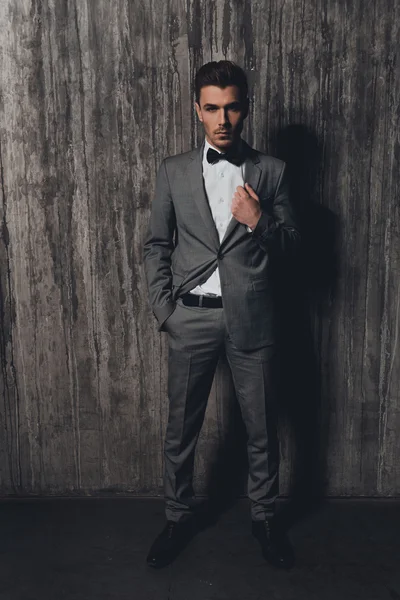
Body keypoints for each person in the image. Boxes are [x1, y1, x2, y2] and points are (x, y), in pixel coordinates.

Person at [142, 60, 300, 570]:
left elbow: (296, 249)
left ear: (245, 108)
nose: (223, 118)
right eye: (212, 108)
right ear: (198, 111)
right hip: (191, 318)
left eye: (232, 106)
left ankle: (266, 519)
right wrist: (165, 309)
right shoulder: (173, 170)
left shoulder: (272, 171)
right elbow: (156, 245)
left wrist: (260, 223)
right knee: (180, 430)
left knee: (261, 427)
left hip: (252, 318)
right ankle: (176, 516)